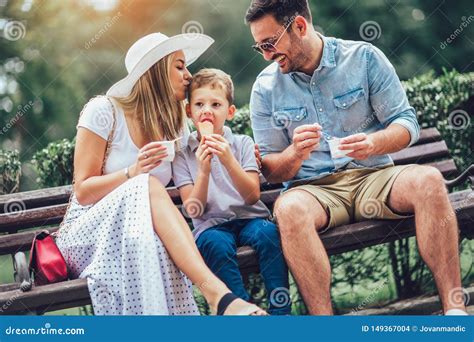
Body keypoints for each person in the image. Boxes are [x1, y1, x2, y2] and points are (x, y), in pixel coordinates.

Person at [245, 0, 467, 315]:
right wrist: (294, 152)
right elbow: (271, 171)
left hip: (374, 177)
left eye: (270, 43)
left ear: (299, 26)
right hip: (314, 191)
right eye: (260, 48)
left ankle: (454, 310)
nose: (267, 54)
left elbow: (406, 123)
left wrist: (374, 143)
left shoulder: (363, 58)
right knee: (289, 208)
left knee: (430, 180)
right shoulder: (265, 88)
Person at [56, 32, 266, 315]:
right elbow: (83, 191)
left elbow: (201, 163)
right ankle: (218, 296)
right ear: (154, 71)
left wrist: (248, 156)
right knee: (147, 185)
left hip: (140, 231)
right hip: (90, 235)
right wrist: (133, 172)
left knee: (156, 245)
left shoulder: (175, 124)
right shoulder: (103, 111)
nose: (189, 76)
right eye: (179, 66)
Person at [172, 68, 291, 315]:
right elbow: (193, 208)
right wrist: (203, 171)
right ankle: (242, 313)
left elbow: (252, 196)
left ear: (230, 111)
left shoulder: (242, 144)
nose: (207, 110)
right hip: (210, 226)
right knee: (215, 245)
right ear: (189, 112)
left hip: (250, 218)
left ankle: (281, 313)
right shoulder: (182, 155)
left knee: (269, 234)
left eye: (216, 104)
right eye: (199, 104)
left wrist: (228, 160)